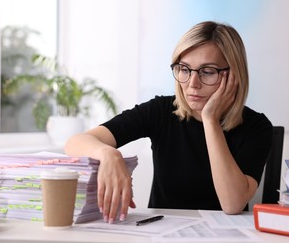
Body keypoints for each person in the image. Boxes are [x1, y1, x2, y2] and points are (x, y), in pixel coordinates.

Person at [64, 21, 273, 224]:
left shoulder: (257, 126)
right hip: (162, 233)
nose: (192, 84)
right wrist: (109, 154)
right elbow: (75, 143)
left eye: (207, 71)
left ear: (233, 76)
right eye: (184, 69)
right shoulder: (161, 111)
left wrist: (210, 120)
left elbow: (232, 204)